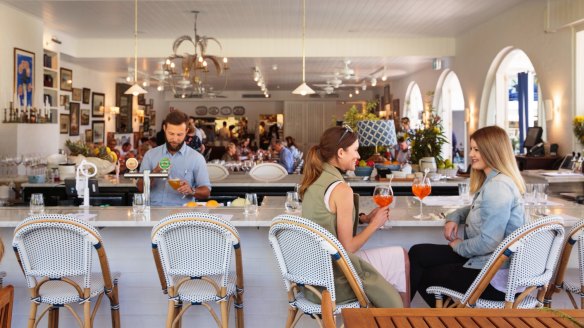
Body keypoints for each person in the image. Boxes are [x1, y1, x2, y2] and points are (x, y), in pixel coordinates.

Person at [409, 125, 526, 307]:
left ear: (492, 151)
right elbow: (474, 208)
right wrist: (454, 217)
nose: (471, 154)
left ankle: (450, 319)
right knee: (418, 253)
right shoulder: (495, 181)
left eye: (477, 150)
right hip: (488, 262)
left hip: (494, 275)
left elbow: (490, 242)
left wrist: (459, 246)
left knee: (428, 273)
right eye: (472, 148)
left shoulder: (498, 187)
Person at [299, 126, 408, 308]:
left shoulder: (314, 180)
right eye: (355, 150)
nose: (358, 156)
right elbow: (348, 247)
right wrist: (374, 224)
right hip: (336, 282)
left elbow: (327, 218)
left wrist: (363, 218)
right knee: (402, 256)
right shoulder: (341, 189)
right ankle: (402, 319)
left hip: (313, 281)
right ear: (341, 152)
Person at [138, 110, 211, 206]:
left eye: (179, 134)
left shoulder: (196, 158)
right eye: (171, 134)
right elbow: (140, 188)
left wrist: (191, 190)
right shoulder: (150, 155)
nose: (175, 139)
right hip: (153, 212)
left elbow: (206, 192)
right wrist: (155, 172)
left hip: (182, 215)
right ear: (164, 129)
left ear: (186, 131)